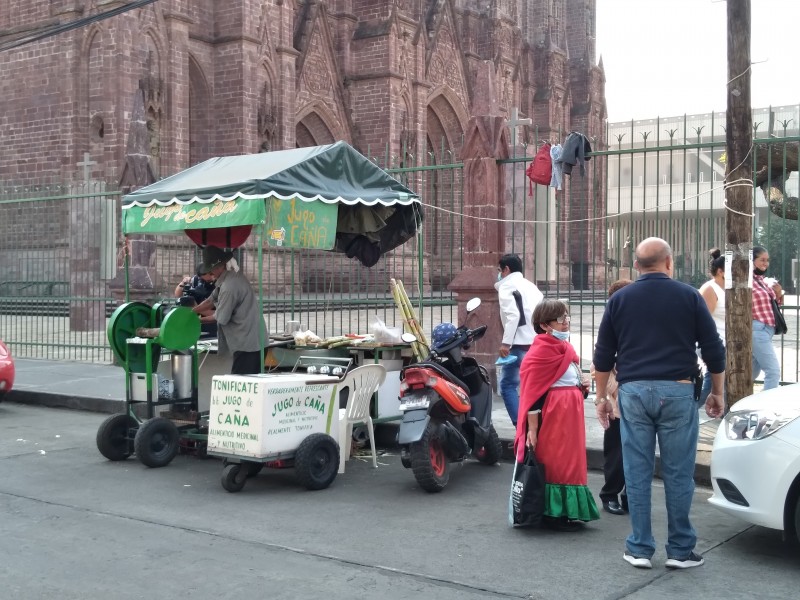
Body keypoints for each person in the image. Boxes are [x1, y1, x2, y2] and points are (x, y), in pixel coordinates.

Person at [593, 237, 725, 570]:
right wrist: (717, 392)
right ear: (669, 263)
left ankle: (639, 547)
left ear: (637, 266)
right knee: (679, 473)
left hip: (633, 391)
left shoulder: (620, 299)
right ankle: (680, 550)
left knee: (636, 472)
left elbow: (603, 354)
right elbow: (713, 349)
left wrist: (600, 398)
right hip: (678, 390)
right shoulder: (690, 296)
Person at [514, 299, 600, 531]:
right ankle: (554, 513)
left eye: (567, 318)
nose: (566, 323)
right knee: (557, 463)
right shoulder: (538, 353)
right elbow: (530, 393)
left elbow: (566, 377)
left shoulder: (566, 349)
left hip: (570, 415)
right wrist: (532, 428)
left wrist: (580, 385)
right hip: (553, 417)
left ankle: (565, 511)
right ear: (544, 325)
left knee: (571, 462)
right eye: (561, 320)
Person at [590, 278, 633, 517]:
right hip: (618, 394)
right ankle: (610, 493)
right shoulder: (612, 322)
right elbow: (600, 363)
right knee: (616, 449)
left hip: (637, 393)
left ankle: (630, 493)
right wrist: (608, 394)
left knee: (638, 449)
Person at [192, 246, 268, 375]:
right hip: (252, 340)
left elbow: (221, 317)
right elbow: (210, 300)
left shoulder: (229, 287)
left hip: (248, 344)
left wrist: (195, 320)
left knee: (241, 385)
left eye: (211, 271)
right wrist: (192, 311)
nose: (211, 274)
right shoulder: (229, 278)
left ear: (219, 267)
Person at [495, 253, 543, 425]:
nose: (499, 274)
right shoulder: (531, 287)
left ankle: (520, 426)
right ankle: (535, 426)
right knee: (534, 386)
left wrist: (505, 343)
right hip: (536, 342)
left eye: (499, 270)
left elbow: (513, 315)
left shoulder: (506, 286)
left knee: (508, 385)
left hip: (518, 344)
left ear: (506, 269)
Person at [751, 246, 783, 390]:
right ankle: (766, 407)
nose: (766, 263)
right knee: (773, 371)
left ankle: (726, 401)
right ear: (751, 261)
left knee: (751, 373)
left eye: (767, 260)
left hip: (767, 330)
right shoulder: (746, 281)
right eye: (762, 260)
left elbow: (773, 306)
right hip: (757, 329)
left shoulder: (762, 280)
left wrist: (778, 294)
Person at [698, 248, 726, 403]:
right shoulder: (710, 289)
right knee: (711, 383)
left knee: (722, 384)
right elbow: (704, 320)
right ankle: (690, 409)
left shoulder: (726, 288)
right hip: (716, 344)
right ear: (721, 271)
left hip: (725, 343)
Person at [175, 265, 218, 337]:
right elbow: (178, 295)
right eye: (203, 280)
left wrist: (197, 308)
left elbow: (219, 314)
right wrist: (183, 283)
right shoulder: (195, 280)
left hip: (215, 325)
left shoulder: (221, 285)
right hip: (199, 322)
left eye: (209, 281)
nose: (205, 283)